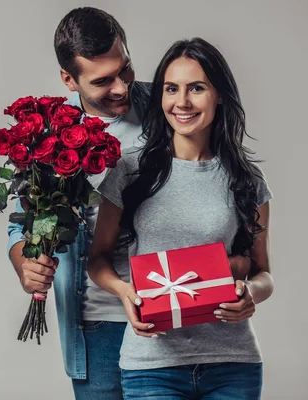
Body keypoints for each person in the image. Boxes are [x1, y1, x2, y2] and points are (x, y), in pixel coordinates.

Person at [7, 8, 250, 399]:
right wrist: (25, 261)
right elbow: (25, 222)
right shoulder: (50, 136)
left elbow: (225, 191)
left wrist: (239, 271)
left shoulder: (171, 105)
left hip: (181, 309)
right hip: (99, 319)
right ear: (69, 79)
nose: (120, 87)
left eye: (126, 69)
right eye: (103, 81)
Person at [87, 37, 274, 399]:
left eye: (197, 88)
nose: (182, 102)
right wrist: (125, 291)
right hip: (152, 366)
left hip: (232, 364)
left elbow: (262, 271)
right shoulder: (129, 172)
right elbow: (98, 259)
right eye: (172, 89)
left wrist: (251, 292)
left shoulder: (248, 179)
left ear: (219, 95)